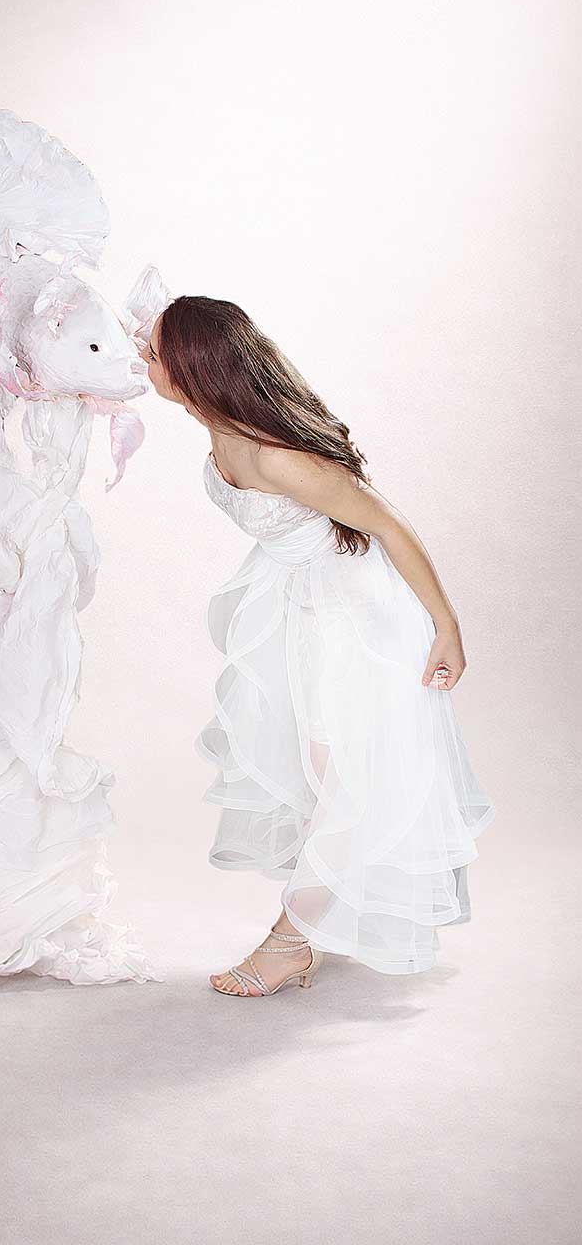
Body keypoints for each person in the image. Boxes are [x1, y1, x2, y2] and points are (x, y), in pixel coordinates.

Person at [139, 296, 495, 997]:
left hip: (351, 615)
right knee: (313, 773)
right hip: (294, 604)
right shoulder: (217, 427)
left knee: (347, 778)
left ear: (191, 367)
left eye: (152, 353)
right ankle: (321, 921)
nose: (142, 361)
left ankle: (291, 940)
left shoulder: (279, 459)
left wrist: (446, 626)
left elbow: (389, 527)